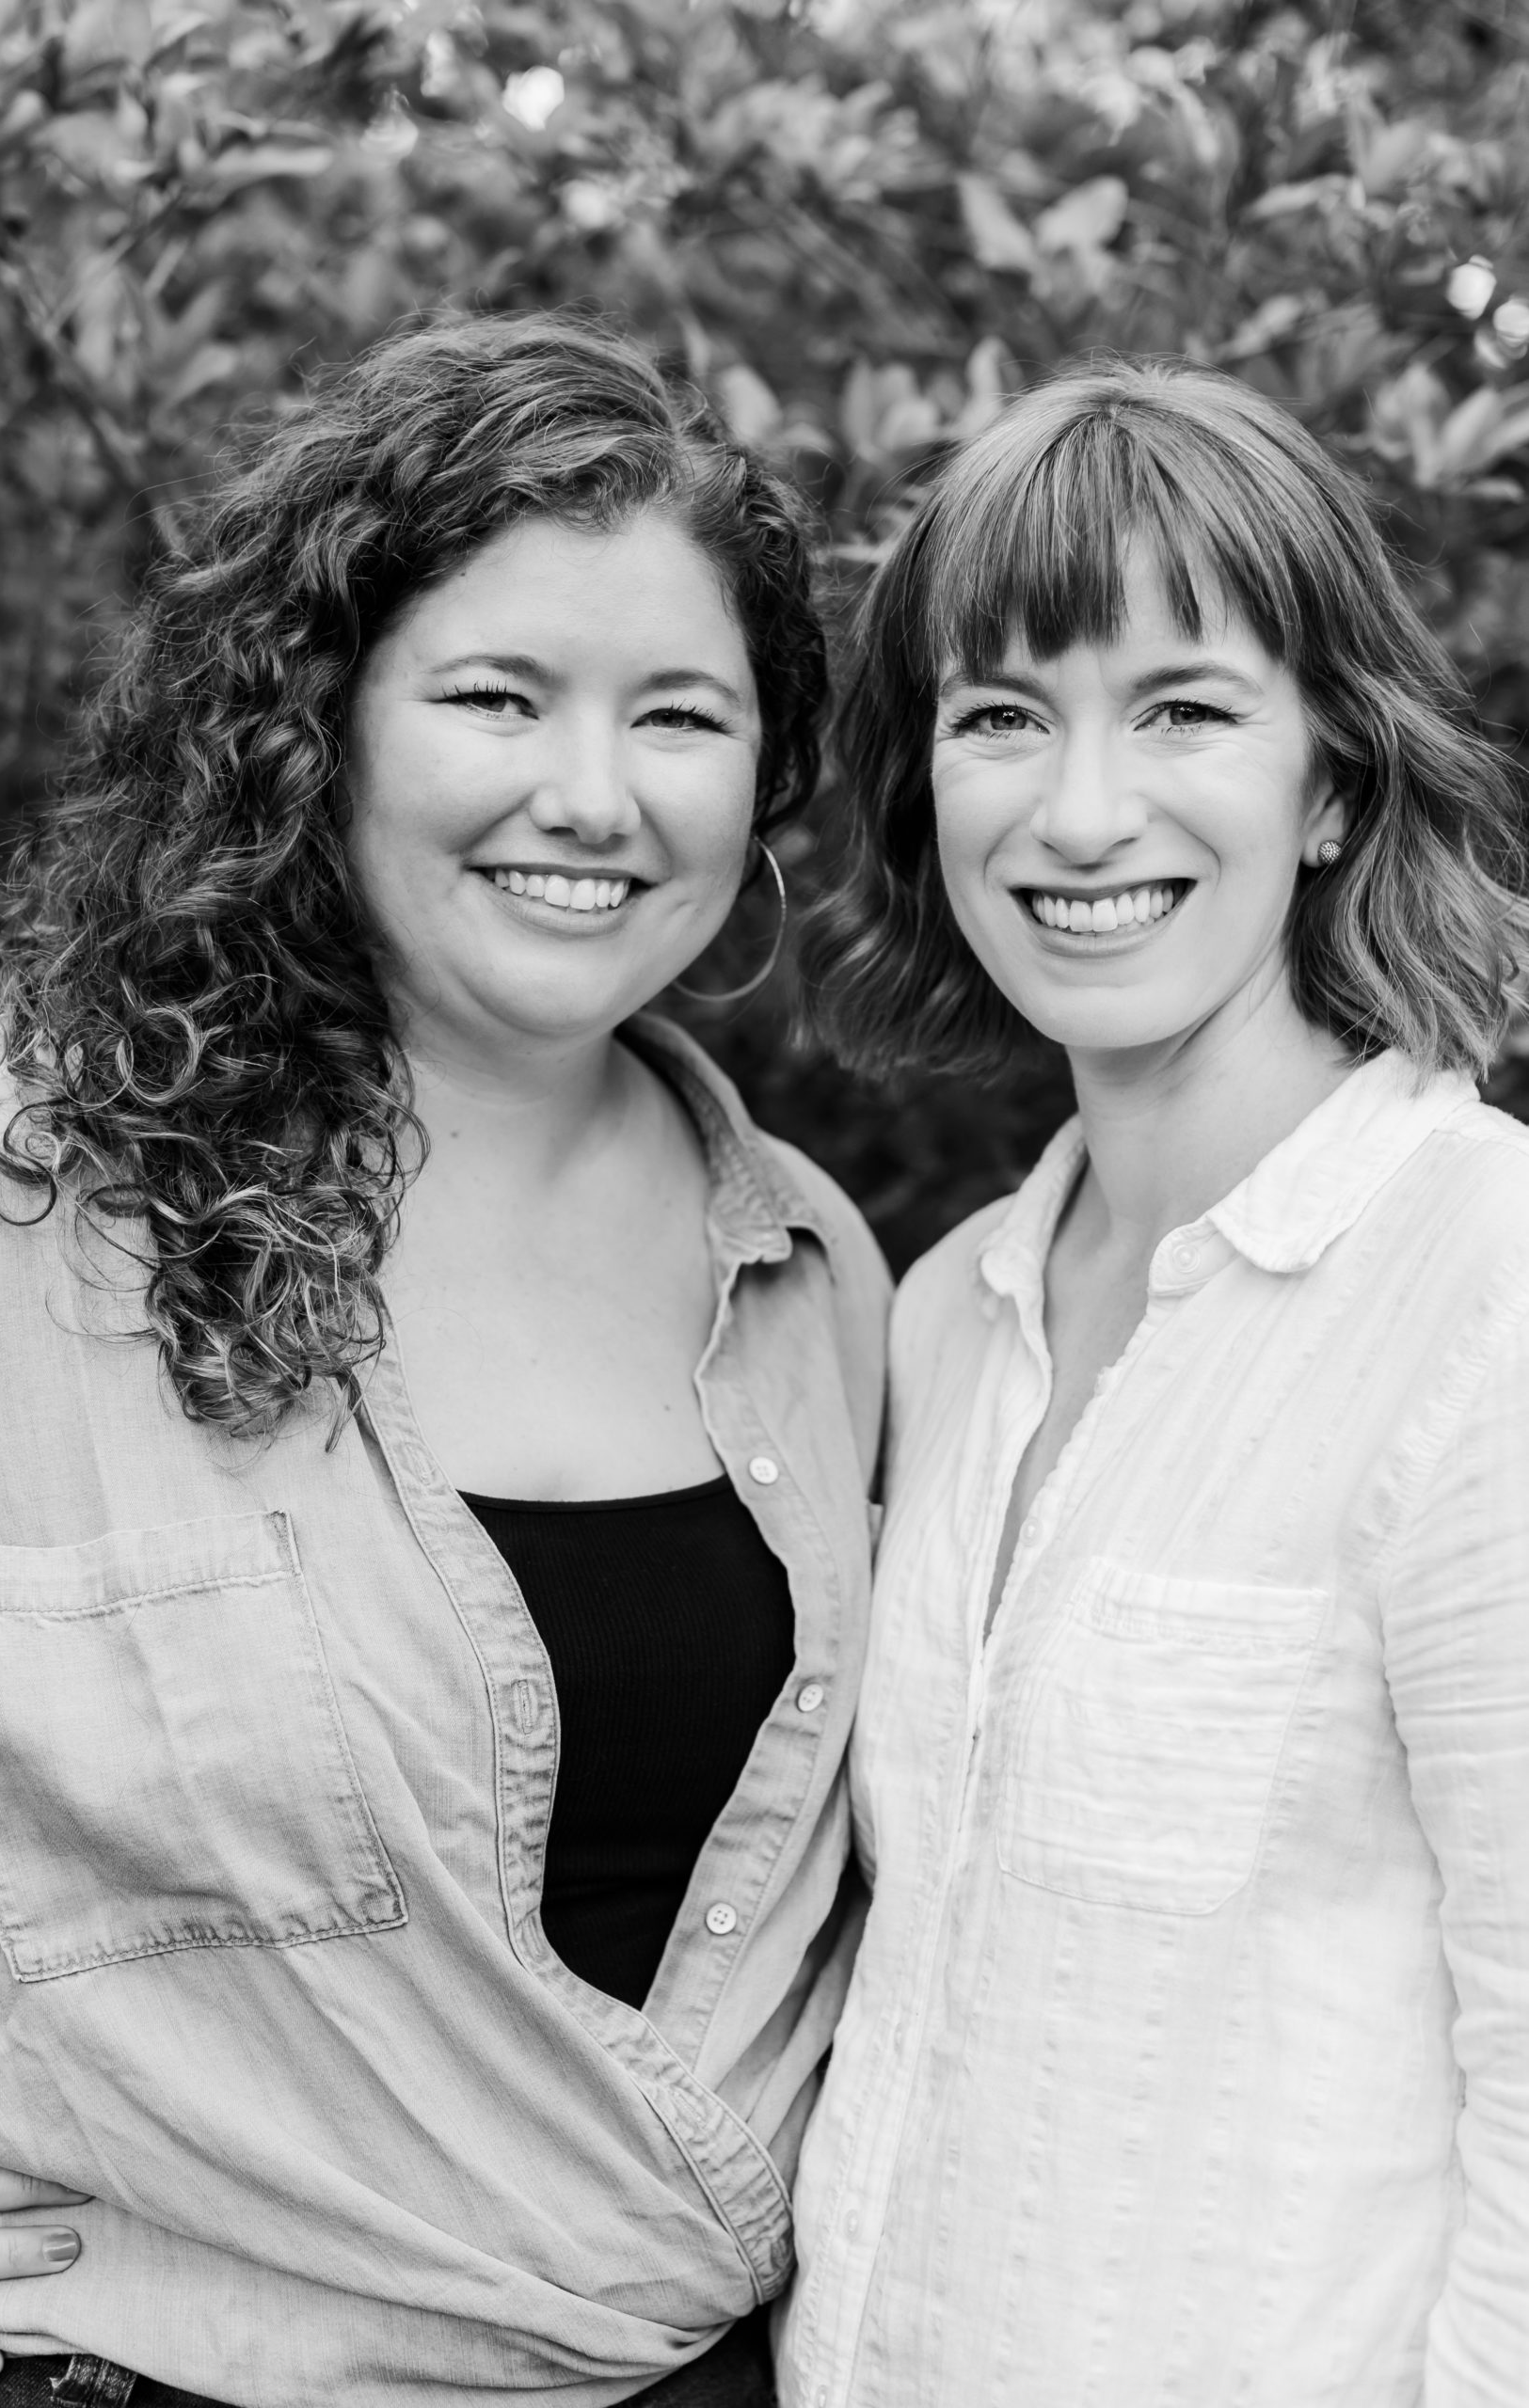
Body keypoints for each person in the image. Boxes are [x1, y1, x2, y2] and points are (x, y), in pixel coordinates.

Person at [0, 316, 889, 2403]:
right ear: (318, 726)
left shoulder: (815, 1265)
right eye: (494, 695)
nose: (592, 795)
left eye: (680, 716)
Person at [781, 361, 1529, 2406]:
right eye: (1001, 716)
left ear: (1332, 784)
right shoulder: (943, 1315)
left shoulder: (1482, 1288)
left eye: (1183, 708)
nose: (1082, 811)